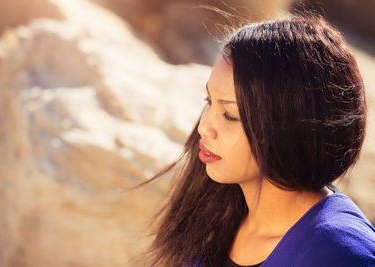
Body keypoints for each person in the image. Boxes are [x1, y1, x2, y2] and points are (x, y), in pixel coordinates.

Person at [134, 15, 375, 266]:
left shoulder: (340, 253)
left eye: (230, 115)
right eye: (209, 102)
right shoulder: (218, 212)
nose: (204, 128)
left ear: (291, 126)